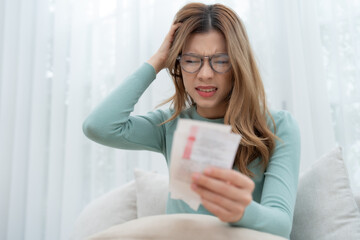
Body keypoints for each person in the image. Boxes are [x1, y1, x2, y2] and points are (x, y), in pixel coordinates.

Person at [82, 2, 300, 239]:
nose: (205, 74)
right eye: (191, 60)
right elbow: (98, 126)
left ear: (238, 64)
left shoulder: (277, 127)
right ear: (177, 64)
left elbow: (280, 225)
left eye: (221, 60)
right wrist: (157, 61)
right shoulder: (169, 125)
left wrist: (240, 211)